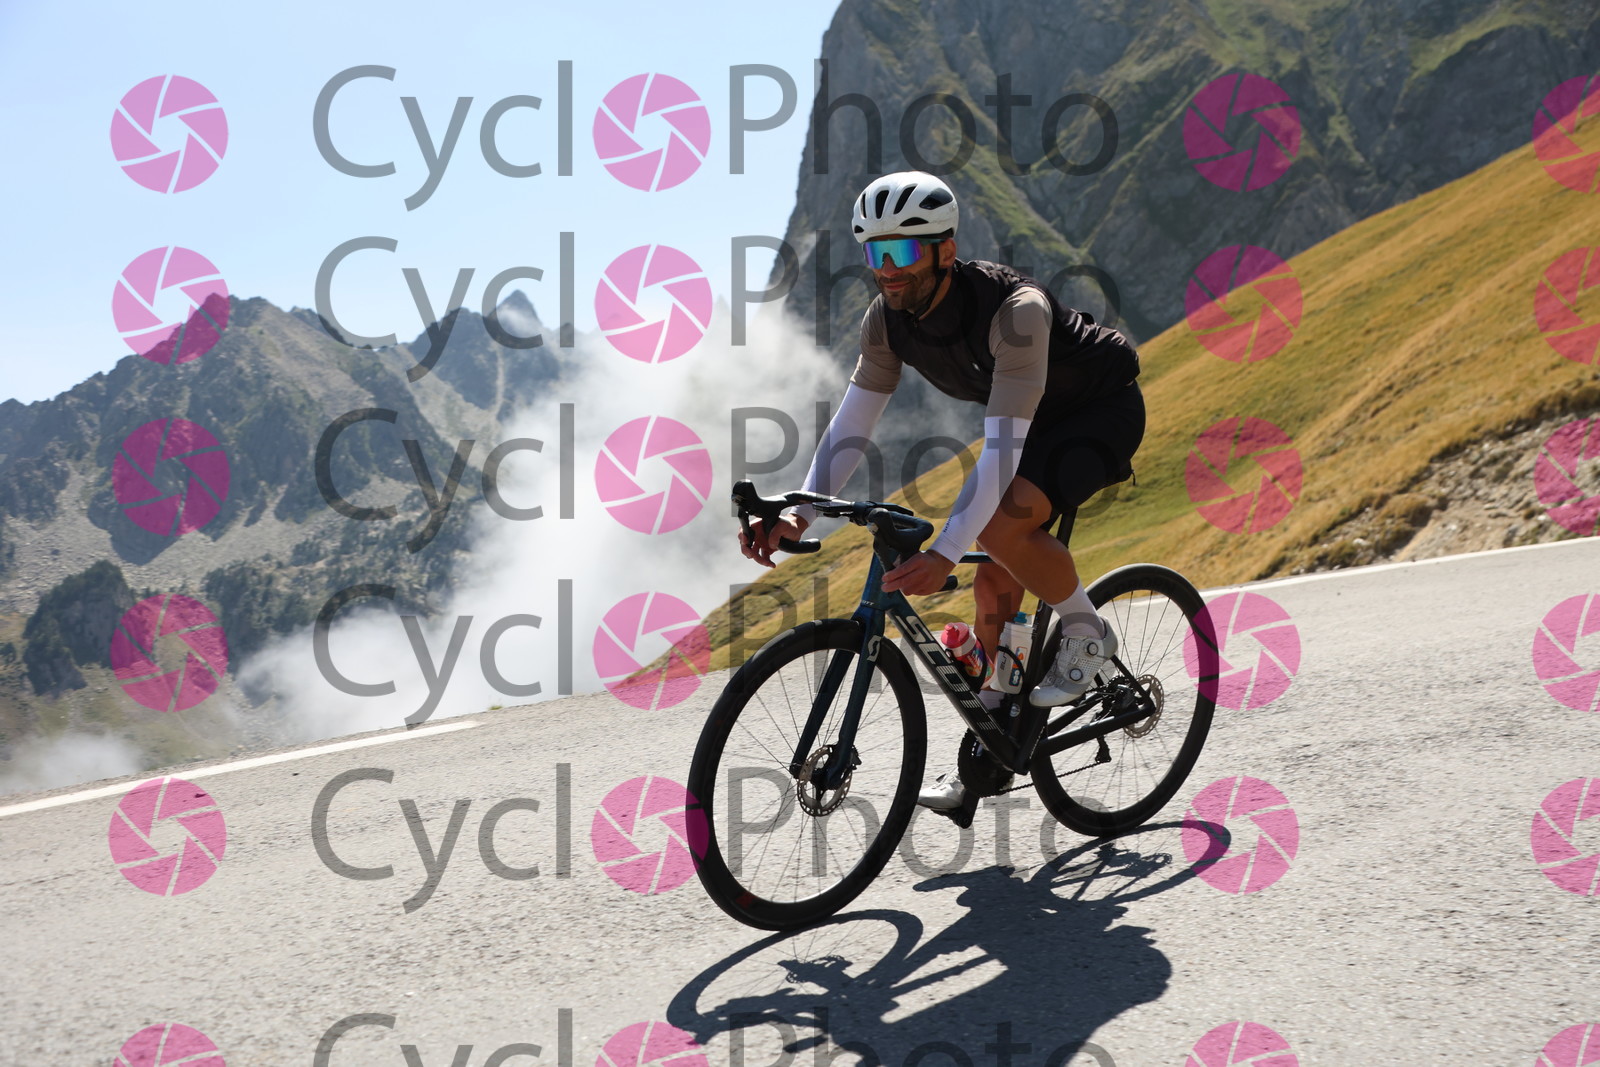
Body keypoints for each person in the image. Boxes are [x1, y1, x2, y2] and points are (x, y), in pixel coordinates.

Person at [737, 170, 1145, 816]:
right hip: (1032, 420)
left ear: (945, 250)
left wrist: (946, 551)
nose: (887, 269)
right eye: (875, 252)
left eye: (902, 251)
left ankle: (1086, 630)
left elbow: (1001, 450)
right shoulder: (886, 321)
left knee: (999, 529)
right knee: (993, 591)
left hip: (1100, 412)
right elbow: (851, 426)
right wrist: (800, 512)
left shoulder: (1016, 313)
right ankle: (993, 754)